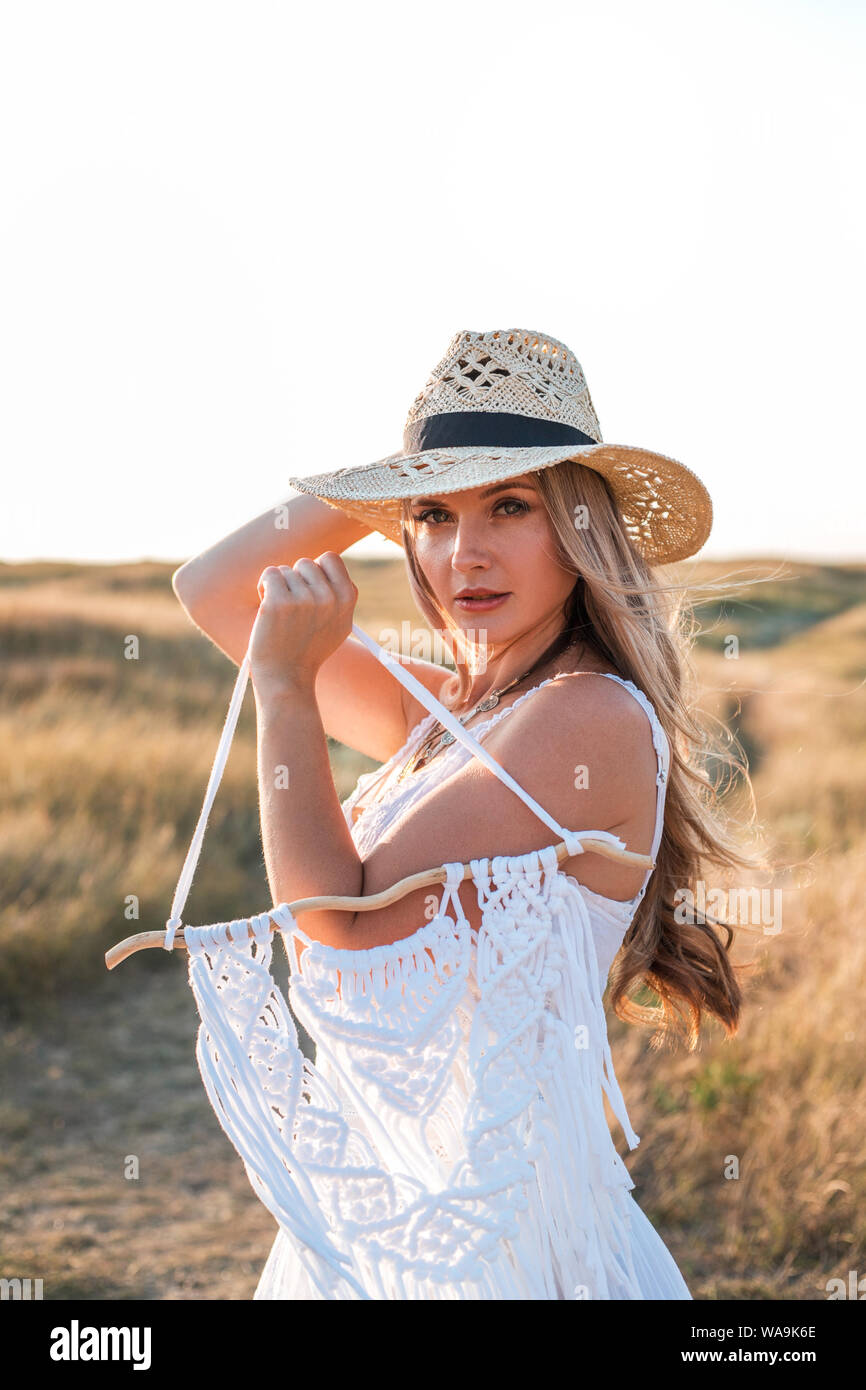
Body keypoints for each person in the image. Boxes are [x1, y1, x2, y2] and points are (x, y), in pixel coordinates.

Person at [172, 327, 767, 1299]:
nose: (465, 552)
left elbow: (344, 925)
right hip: (397, 1221)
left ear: (579, 526)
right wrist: (379, 491)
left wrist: (286, 691)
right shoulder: (449, 711)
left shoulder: (584, 714)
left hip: (505, 1244)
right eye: (433, 517)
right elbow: (210, 590)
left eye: (510, 506)